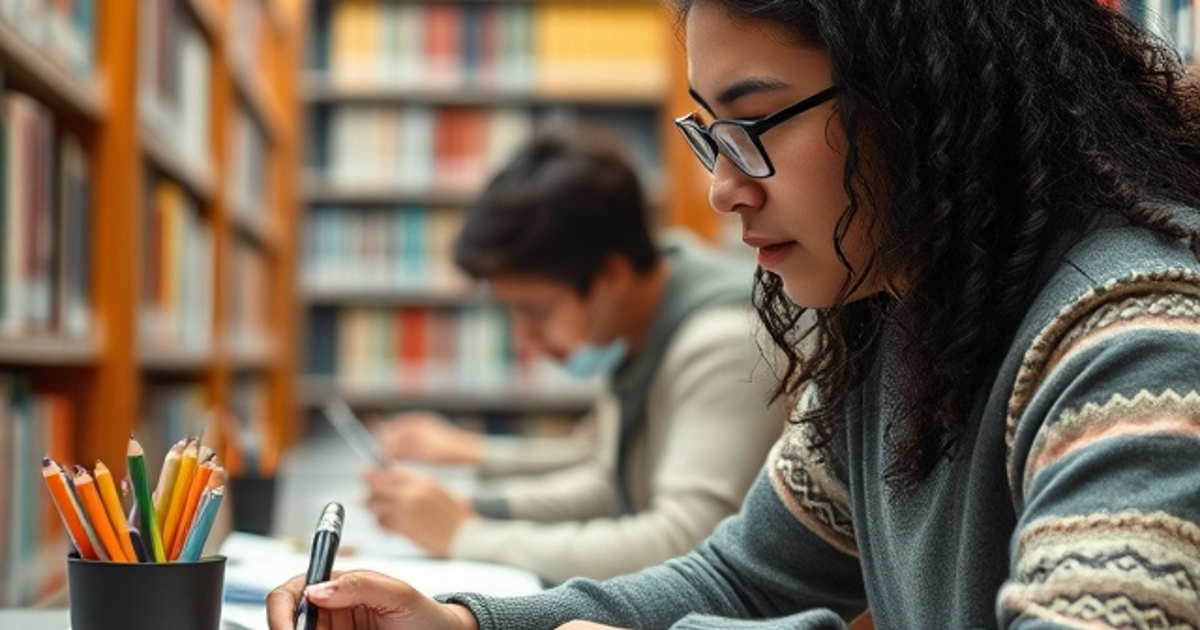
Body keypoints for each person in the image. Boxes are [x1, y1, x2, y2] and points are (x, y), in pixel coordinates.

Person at [268, 0, 1200, 627]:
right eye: (708, 132)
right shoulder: (895, 314)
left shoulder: (1137, 337)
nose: (720, 189)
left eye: (753, 125)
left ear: (926, 94)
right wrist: (465, 621)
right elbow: (739, 576)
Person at [360, 126, 788, 585]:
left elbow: (685, 542)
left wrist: (465, 536)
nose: (525, 339)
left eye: (536, 312)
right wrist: (469, 511)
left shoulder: (726, 342)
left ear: (610, 278)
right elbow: (609, 480)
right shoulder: (637, 322)